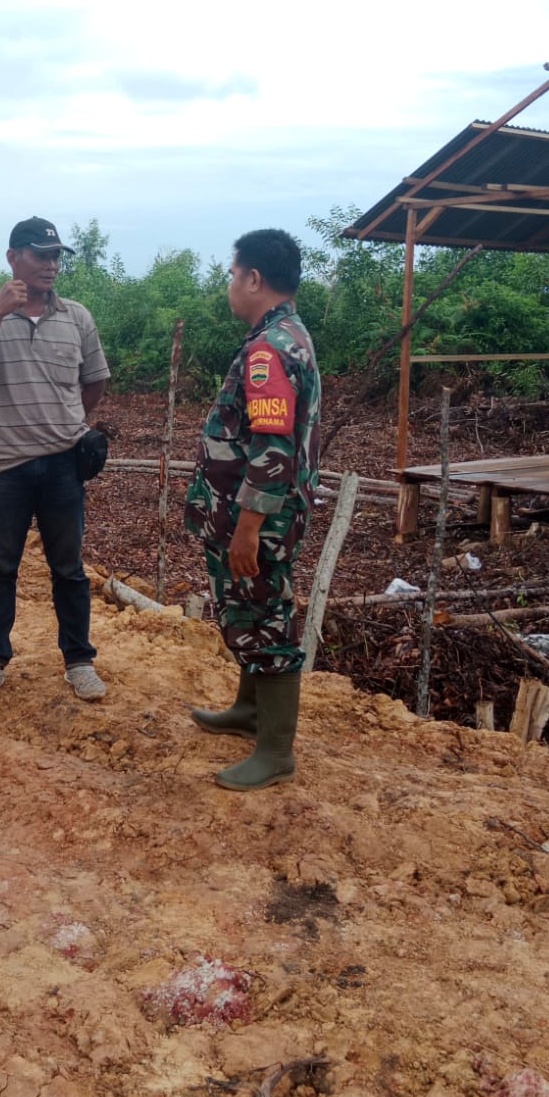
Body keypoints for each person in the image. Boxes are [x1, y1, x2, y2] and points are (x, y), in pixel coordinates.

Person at [0, 216, 110, 706]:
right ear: (13, 258)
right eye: (41, 255)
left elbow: (96, 380)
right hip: (4, 466)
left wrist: (68, 423)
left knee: (69, 568)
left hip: (64, 464)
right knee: (0, 568)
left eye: (56, 255)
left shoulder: (77, 317)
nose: (51, 264)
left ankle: (79, 660)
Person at [184, 228, 321, 790]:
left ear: (253, 279)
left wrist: (247, 529)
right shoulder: (289, 333)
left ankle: (276, 751)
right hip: (261, 513)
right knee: (248, 610)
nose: (229, 286)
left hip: (258, 519)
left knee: (266, 617)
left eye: (232, 274)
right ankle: (250, 710)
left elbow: (272, 447)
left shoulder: (268, 350)